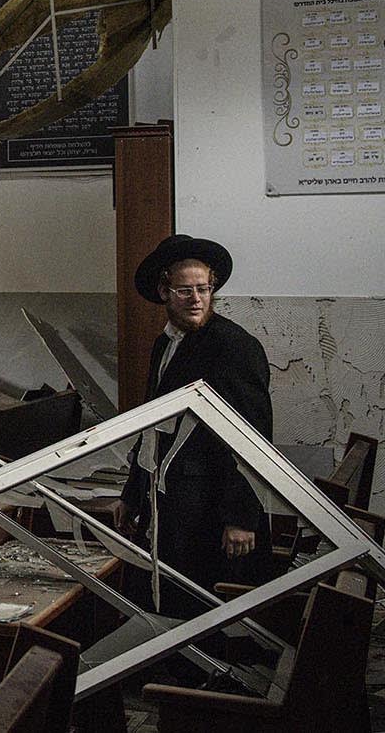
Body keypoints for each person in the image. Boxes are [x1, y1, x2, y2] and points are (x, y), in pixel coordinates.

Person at [113, 234, 274, 604]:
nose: (197, 299)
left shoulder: (233, 346)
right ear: (164, 292)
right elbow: (152, 425)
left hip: (213, 509)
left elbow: (253, 437)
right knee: (166, 600)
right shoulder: (165, 344)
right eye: (185, 291)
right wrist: (132, 494)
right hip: (172, 506)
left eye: (203, 289)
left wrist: (242, 517)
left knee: (205, 610)